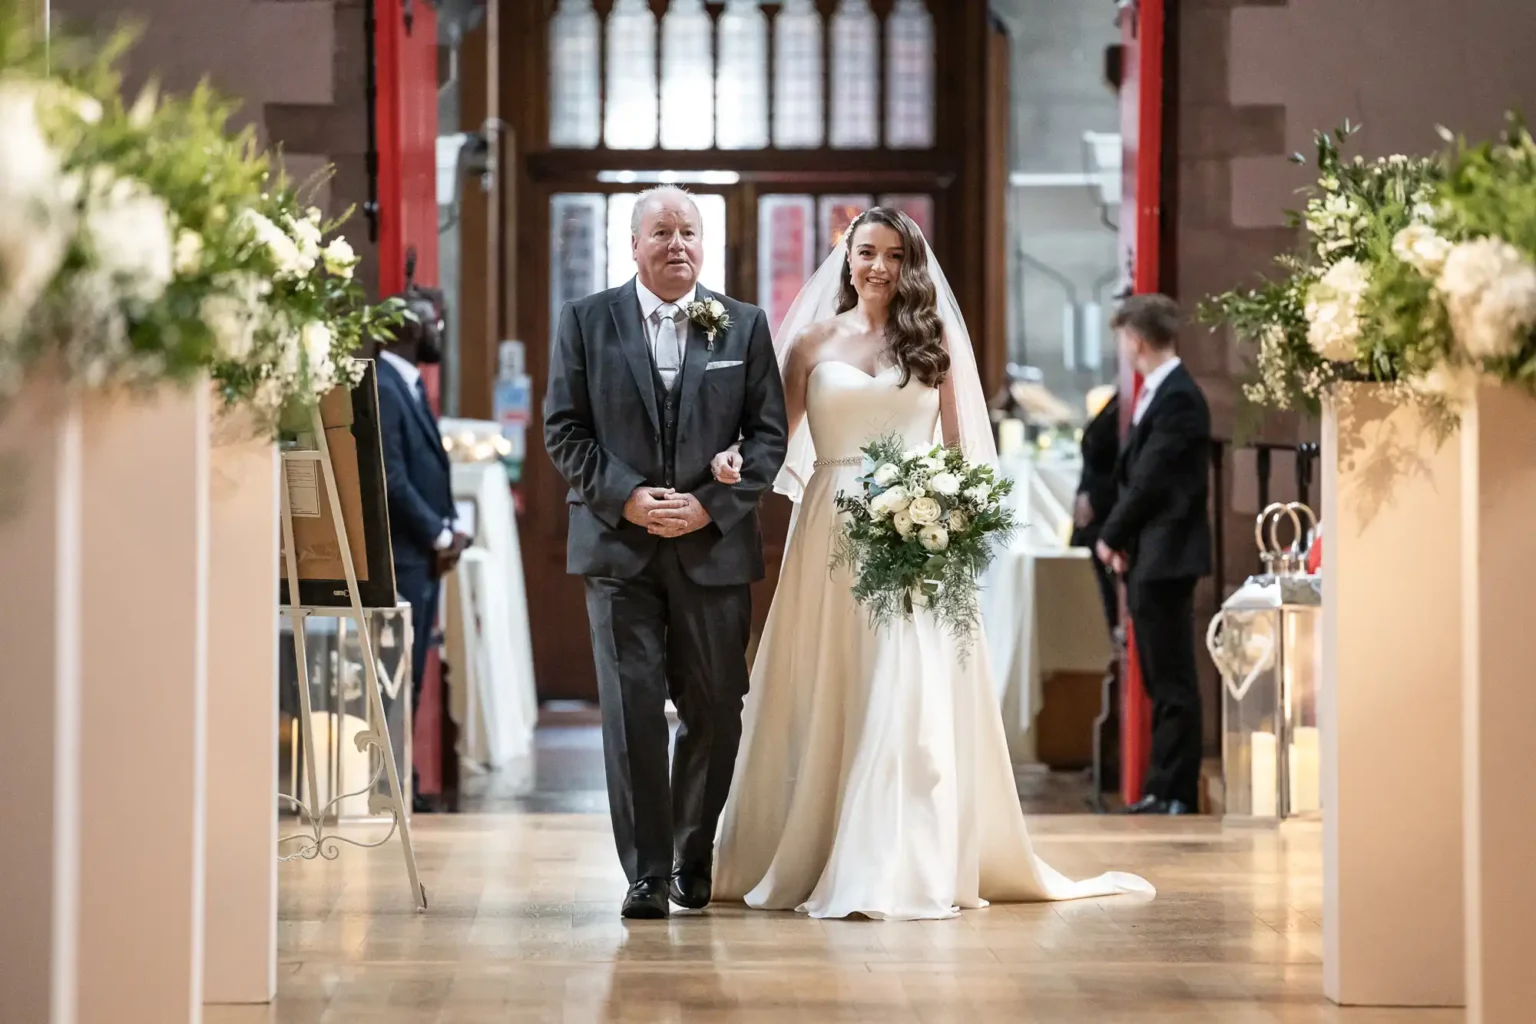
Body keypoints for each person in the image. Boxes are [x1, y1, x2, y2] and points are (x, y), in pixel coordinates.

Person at [708, 208, 1153, 920]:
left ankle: (898, 857)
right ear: (845, 258)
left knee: (906, 686)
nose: (878, 266)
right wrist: (733, 462)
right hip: (829, 527)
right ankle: (815, 845)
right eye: (865, 253)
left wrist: (944, 512)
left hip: (912, 528)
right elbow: (770, 438)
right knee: (833, 682)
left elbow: (959, 448)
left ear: (909, 264)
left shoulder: (932, 339)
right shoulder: (813, 341)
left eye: (891, 254)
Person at [543, 186, 789, 920]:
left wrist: (707, 506)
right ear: (634, 244)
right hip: (618, 551)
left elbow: (768, 437)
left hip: (712, 551)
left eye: (689, 231)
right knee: (633, 712)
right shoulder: (585, 321)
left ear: (703, 244)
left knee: (717, 707)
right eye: (662, 232)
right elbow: (564, 431)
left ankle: (693, 852)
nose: (677, 243)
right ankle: (646, 872)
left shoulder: (743, 325)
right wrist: (628, 497)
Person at [1095, 294, 1212, 816]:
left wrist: (1110, 535)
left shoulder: (1179, 397)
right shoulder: (1161, 393)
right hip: (1152, 553)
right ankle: (1162, 787)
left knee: (1172, 679)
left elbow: (1151, 481)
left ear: (1136, 340)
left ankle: (1176, 791)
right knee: (1160, 677)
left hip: (1168, 555)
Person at [376, 286, 466, 713]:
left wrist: (449, 525)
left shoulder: (406, 384)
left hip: (420, 556)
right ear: (410, 328)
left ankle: (403, 779)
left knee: (410, 679)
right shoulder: (384, 386)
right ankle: (391, 779)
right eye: (434, 324)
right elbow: (390, 477)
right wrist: (438, 533)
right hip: (402, 557)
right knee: (395, 679)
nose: (438, 333)